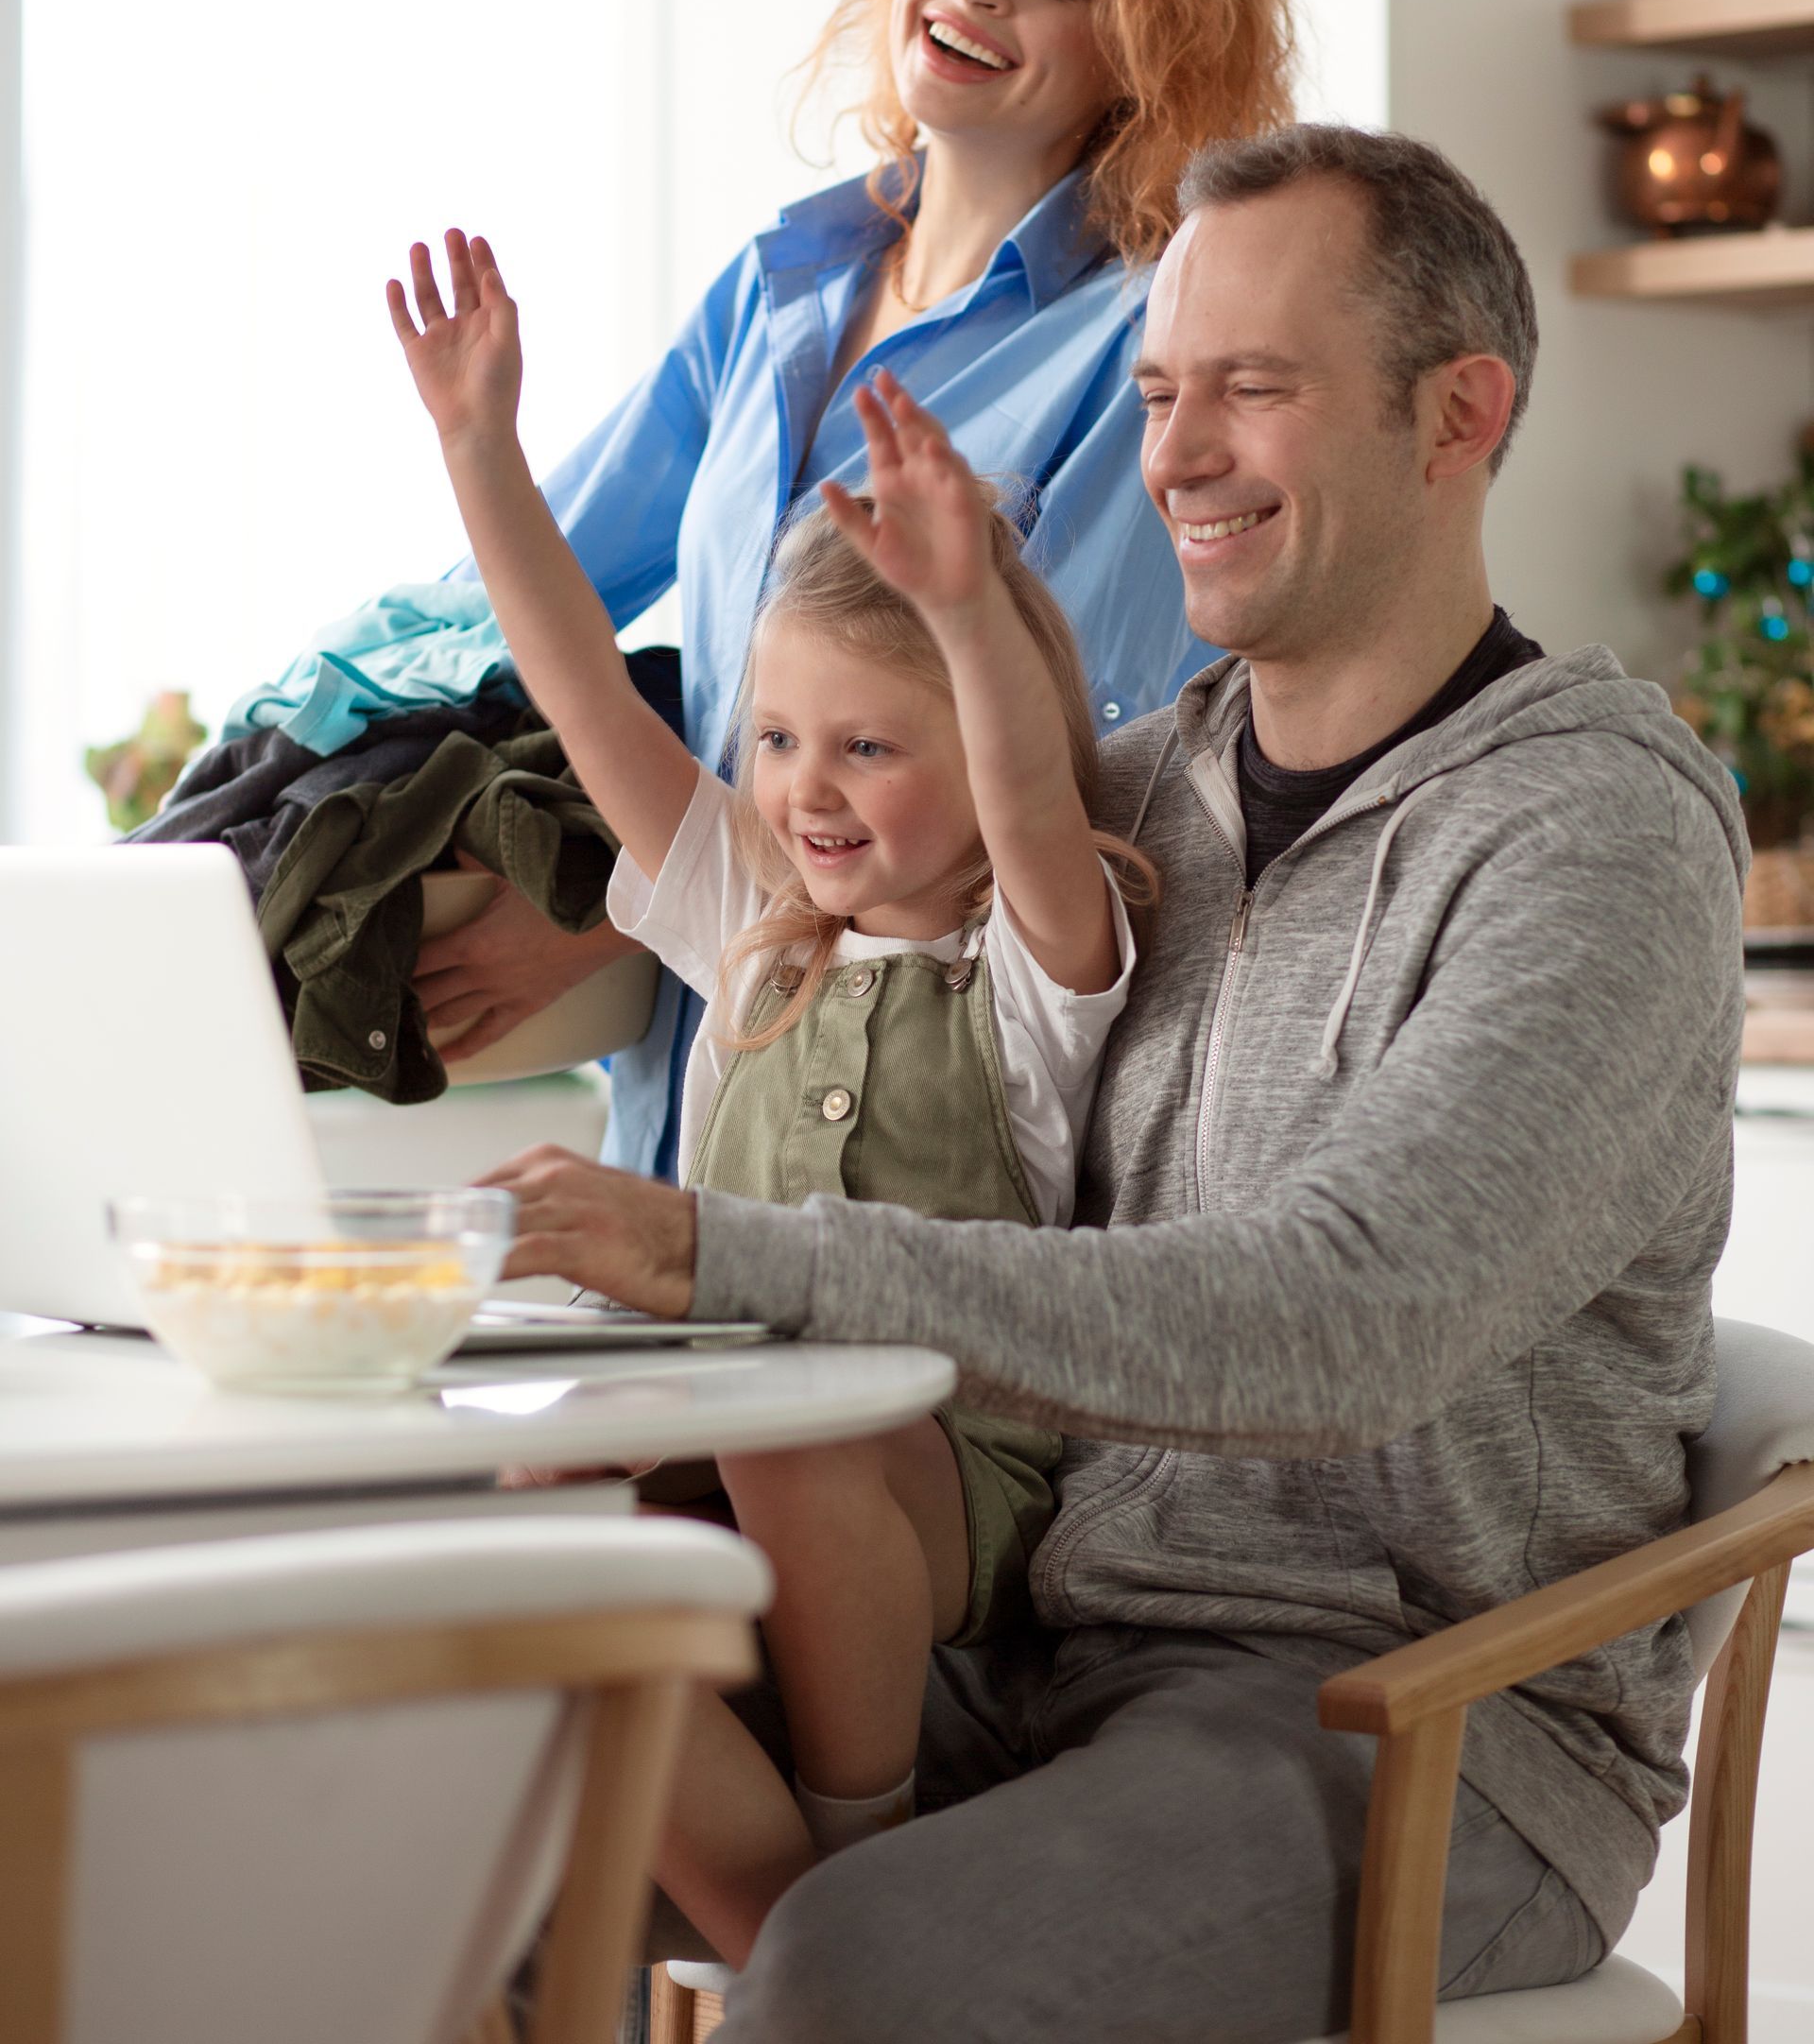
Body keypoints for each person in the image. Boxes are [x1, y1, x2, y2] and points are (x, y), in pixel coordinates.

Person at [471, 122, 1749, 2044]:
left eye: (1254, 389)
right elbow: (809, 888)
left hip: (1406, 1724)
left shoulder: (1595, 840)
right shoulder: (1134, 799)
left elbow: (1342, 1319)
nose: (1178, 456)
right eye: (1161, 392)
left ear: (1458, 414)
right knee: (430, 1796)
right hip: (1046, 1645)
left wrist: (744, 1260)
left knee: (859, 1975)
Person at [387, 229, 1155, 1966]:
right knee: (535, 1523)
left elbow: (1036, 800)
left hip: (950, 1465)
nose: (810, 792)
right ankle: (822, 1947)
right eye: (783, 740)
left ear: (980, 748)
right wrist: (480, 453)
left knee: (788, 1419)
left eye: (872, 749)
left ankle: (863, 1843)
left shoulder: (1030, 963)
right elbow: (582, 682)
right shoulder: (751, 919)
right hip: (736, 1426)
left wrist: (966, 612)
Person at [415, 0, 1292, 1180]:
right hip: (696, 1078)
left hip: (946, 1085)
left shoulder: (1140, 344)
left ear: (1140, 49)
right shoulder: (780, 285)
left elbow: (1062, 763)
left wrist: (601, 914)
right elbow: (516, 609)